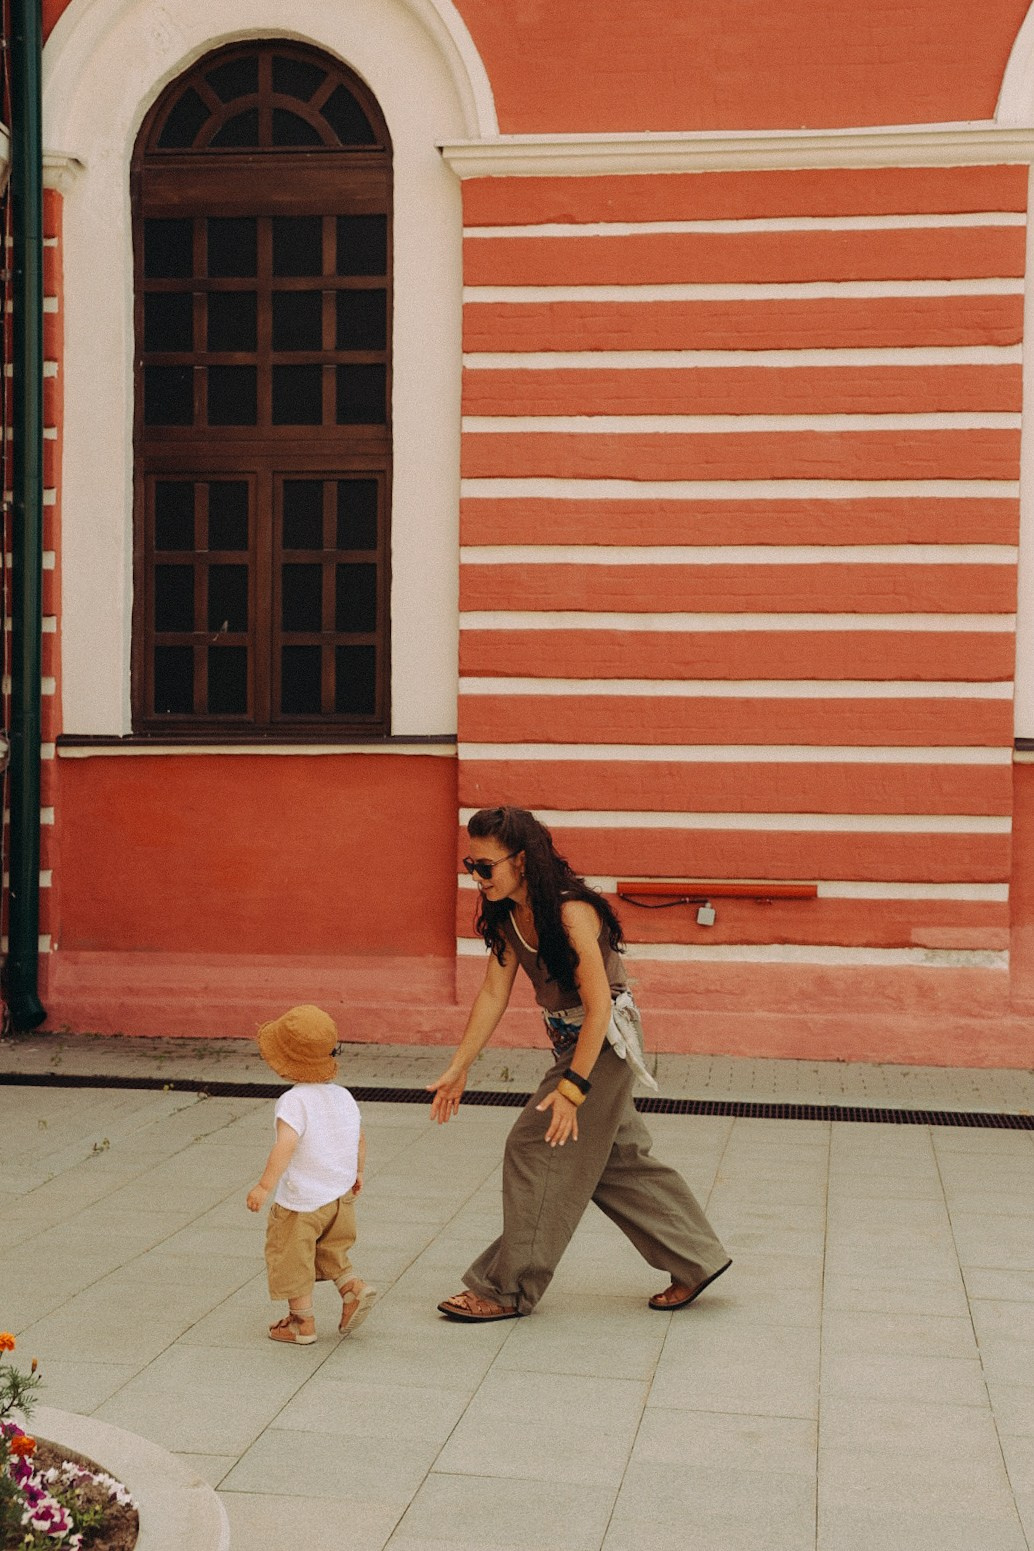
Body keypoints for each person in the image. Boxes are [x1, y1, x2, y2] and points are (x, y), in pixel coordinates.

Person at [428, 806, 731, 1321]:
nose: (475, 878)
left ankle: (507, 1289)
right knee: (617, 1160)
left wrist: (571, 1089)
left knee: (534, 1147)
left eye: (485, 867)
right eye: (470, 865)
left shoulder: (571, 913)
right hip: (573, 1040)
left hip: (604, 1042)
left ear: (521, 861)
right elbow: (492, 994)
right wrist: (459, 1066)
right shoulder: (506, 916)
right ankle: (696, 1257)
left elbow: (600, 1009)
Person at [246, 1004, 376, 1344]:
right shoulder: (343, 1095)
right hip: (339, 1199)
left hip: (302, 1203)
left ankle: (301, 1323)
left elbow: (286, 1145)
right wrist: (357, 1171)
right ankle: (352, 1288)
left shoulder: (294, 1101)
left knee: (292, 1256)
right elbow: (358, 1136)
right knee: (330, 1251)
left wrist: (264, 1186)